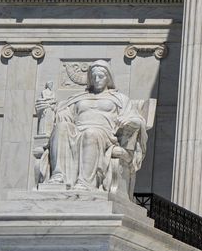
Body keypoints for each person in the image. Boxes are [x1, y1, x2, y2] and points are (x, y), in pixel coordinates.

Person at [36, 60, 149, 196]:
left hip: (105, 134)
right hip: (77, 130)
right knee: (62, 127)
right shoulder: (78, 97)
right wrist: (61, 111)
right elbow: (62, 110)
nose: (97, 80)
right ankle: (58, 176)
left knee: (91, 133)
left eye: (101, 76)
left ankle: (85, 182)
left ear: (108, 78)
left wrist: (128, 120)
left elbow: (137, 119)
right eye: (94, 77)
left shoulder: (120, 99)